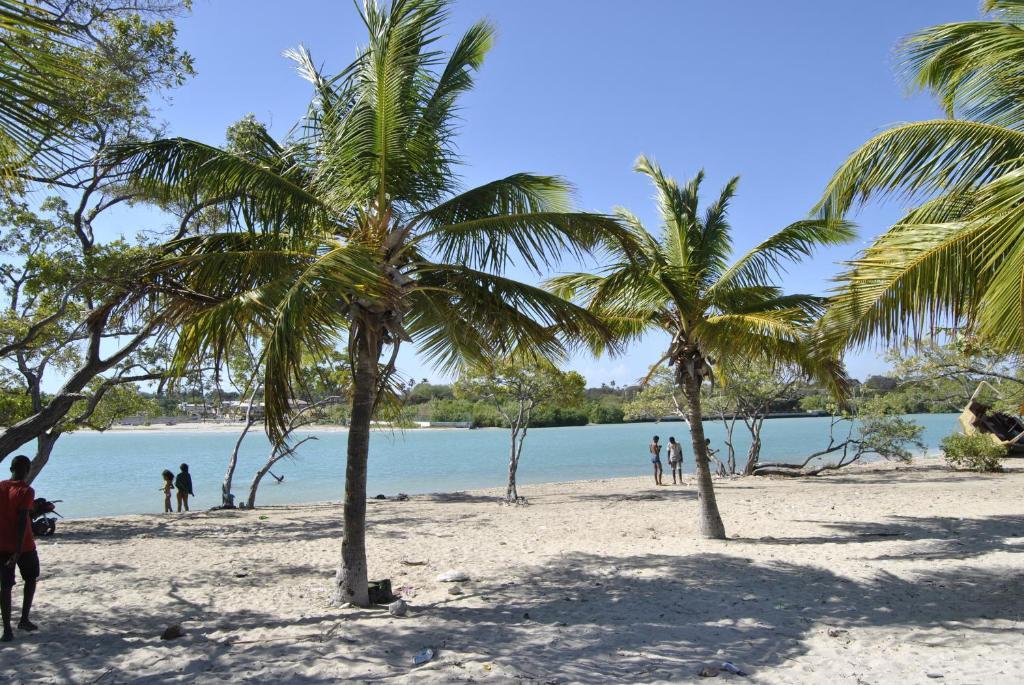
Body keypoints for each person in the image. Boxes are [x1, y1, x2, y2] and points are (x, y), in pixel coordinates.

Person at [1, 455, 39, 642]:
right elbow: (23, 520)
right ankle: (24, 619)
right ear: (27, 470)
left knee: (5, 587)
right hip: (23, 546)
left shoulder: (0, 487)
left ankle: (7, 629)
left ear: (11, 469)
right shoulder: (27, 491)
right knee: (30, 579)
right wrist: (17, 550)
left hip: (1, 545)